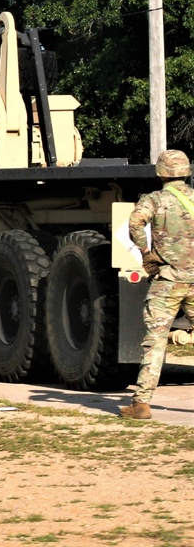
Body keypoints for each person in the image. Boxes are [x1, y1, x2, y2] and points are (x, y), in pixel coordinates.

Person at [122, 149, 194, 419]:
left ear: (161, 173)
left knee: (155, 342)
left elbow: (135, 223)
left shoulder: (155, 200)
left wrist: (146, 253)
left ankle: (141, 403)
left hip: (167, 282)